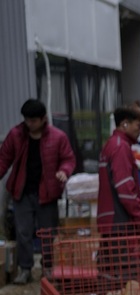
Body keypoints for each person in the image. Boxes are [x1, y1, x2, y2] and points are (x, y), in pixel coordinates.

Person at [0, 99, 76, 284]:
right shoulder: (16, 136)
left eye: (33, 120)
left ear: (43, 119)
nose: (30, 124)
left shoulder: (58, 137)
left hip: (47, 193)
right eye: (27, 120)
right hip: (22, 191)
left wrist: (64, 171)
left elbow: (68, 158)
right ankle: (25, 269)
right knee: (23, 231)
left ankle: (48, 268)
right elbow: (4, 159)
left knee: (48, 233)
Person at [97, 102, 140, 284]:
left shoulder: (112, 144)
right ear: (125, 123)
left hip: (110, 220)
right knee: (126, 275)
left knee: (111, 271)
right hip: (120, 221)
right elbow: (125, 190)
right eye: (138, 125)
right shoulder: (120, 147)